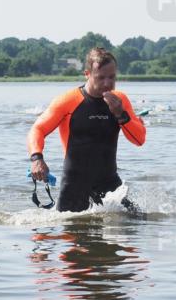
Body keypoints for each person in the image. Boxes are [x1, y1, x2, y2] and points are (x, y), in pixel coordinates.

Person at [27, 47, 146, 213]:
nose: (107, 83)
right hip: (74, 188)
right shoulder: (68, 101)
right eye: (101, 77)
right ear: (87, 74)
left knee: (139, 225)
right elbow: (37, 129)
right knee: (70, 234)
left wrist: (121, 114)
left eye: (111, 77)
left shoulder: (120, 100)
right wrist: (36, 159)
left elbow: (139, 139)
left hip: (110, 184)